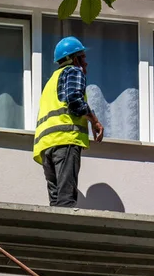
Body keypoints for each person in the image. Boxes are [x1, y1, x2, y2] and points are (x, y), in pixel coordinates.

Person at [33, 37, 104, 207]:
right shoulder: (73, 71)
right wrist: (95, 121)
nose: (85, 63)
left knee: (56, 201)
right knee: (66, 199)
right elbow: (75, 101)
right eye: (83, 57)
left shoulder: (51, 81)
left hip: (45, 146)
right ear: (74, 58)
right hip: (65, 141)